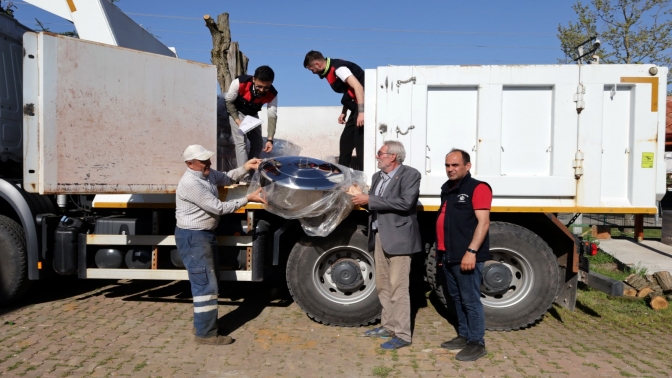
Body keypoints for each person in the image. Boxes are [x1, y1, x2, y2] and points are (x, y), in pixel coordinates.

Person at [175, 144, 267, 345]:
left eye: (207, 159)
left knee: (210, 281)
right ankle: (205, 334)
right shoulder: (191, 183)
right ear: (190, 164)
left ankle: (205, 325)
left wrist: (245, 167)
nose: (208, 163)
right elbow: (217, 208)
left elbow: (226, 177)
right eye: (203, 161)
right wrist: (247, 199)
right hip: (193, 237)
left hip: (203, 235)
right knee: (205, 285)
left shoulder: (206, 174)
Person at [351, 140, 421, 350]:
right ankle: (388, 326)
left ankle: (402, 334)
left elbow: (405, 203)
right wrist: (359, 200)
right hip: (379, 235)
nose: (377, 156)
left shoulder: (410, 174)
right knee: (383, 285)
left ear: (392, 156)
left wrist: (369, 199)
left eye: (380, 153)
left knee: (399, 288)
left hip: (399, 238)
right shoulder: (377, 177)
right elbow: (376, 206)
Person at [436, 148, 492, 361]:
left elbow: (483, 222)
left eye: (455, 165)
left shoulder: (478, 188)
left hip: (466, 255)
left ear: (467, 166)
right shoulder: (447, 188)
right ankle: (464, 335)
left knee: (470, 299)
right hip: (448, 254)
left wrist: (471, 252)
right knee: (456, 298)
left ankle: (477, 343)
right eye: (447, 165)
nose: (450, 169)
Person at [304, 50, 364, 169]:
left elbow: (358, 87)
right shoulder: (330, 70)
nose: (313, 72)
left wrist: (362, 112)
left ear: (318, 64)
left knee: (359, 142)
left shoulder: (338, 69)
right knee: (346, 141)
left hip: (364, 105)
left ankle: (364, 176)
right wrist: (344, 111)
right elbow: (349, 90)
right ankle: (342, 175)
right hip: (357, 106)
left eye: (311, 69)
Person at [225, 65, 278, 167]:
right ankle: (243, 175)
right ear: (254, 79)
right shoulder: (239, 82)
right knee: (241, 143)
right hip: (237, 112)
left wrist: (270, 139)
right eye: (259, 86)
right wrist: (237, 120)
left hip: (252, 115)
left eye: (266, 87)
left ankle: (251, 174)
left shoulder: (273, 94)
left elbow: (272, 115)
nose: (262, 90)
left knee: (258, 145)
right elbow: (228, 102)